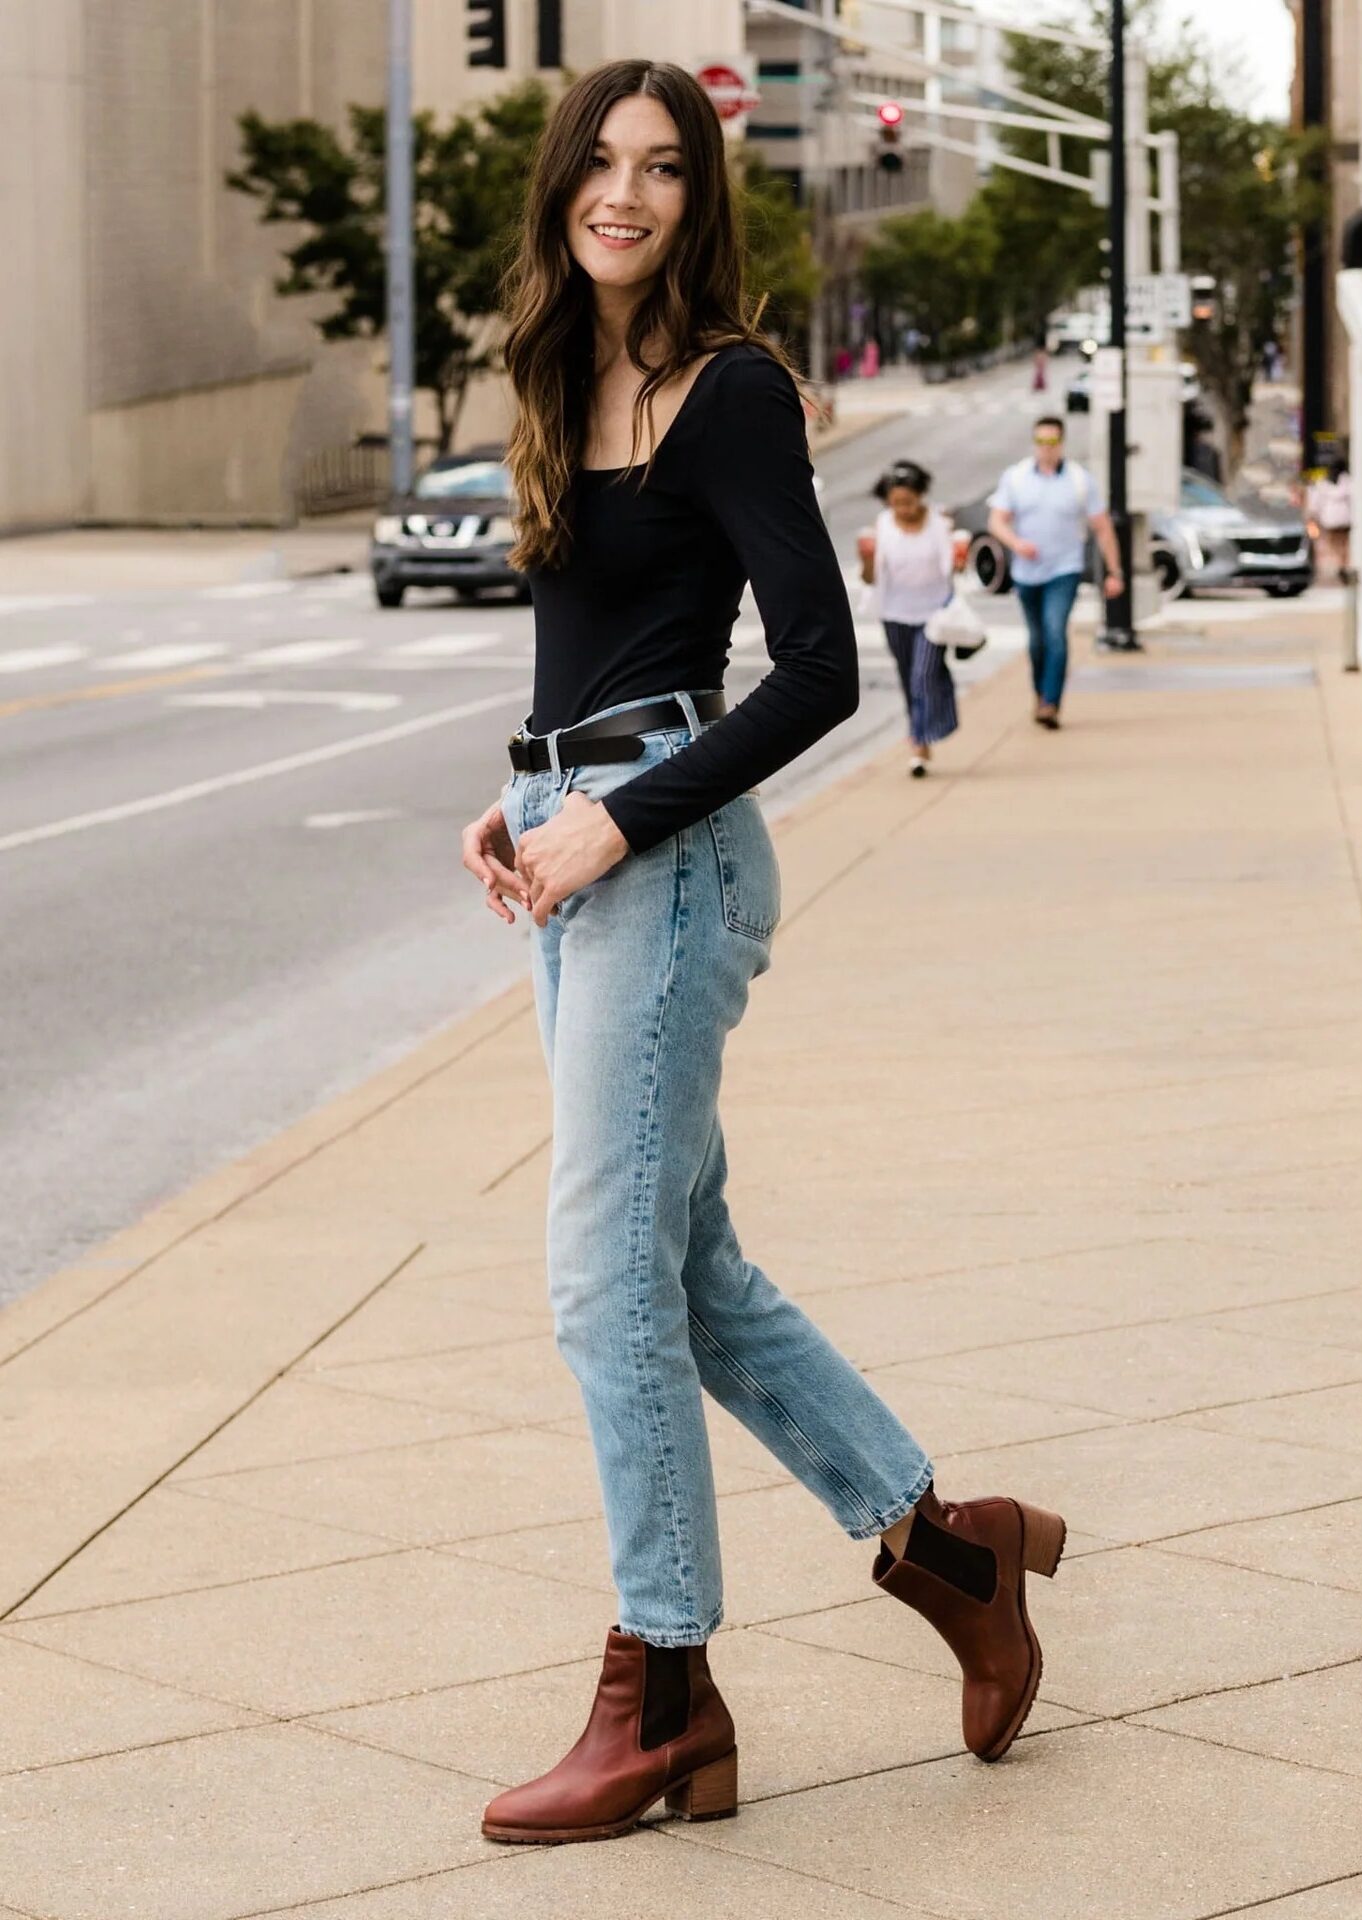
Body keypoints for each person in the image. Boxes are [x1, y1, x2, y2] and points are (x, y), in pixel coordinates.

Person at [459, 59, 1067, 1847]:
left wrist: (616, 817)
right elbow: (605, 643)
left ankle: (663, 1693)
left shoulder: (727, 392)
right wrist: (526, 791)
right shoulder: (557, 375)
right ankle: (953, 1554)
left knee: (601, 1283)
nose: (624, 194)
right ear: (562, 185)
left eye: (662, 168)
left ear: (698, 197)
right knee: (691, 1271)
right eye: (600, 163)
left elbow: (816, 667)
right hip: (581, 842)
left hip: (667, 864)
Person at [988, 415, 1124, 729]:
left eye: (1052, 441)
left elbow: (1103, 527)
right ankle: (1039, 693)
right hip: (1027, 572)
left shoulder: (1079, 480)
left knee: (1055, 633)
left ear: (1061, 443)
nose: (1046, 447)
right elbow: (996, 521)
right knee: (1036, 641)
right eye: (1041, 441)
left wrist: (1114, 571)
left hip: (1064, 569)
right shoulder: (1016, 477)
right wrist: (1016, 543)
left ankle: (1051, 702)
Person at [860, 459, 960, 775]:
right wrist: (866, 558)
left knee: (923, 675)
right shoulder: (882, 525)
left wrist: (960, 556)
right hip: (894, 614)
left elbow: (952, 569)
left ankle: (918, 741)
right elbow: (870, 578)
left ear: (920, 496)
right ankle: (919, 730)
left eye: (908, 501)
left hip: (934, 614)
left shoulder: (939, 524)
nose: (902, 509)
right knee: (909, 678)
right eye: (896, 503)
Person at [1306, 459, 1352, 582]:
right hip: (1343, 518)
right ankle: (1343, 563)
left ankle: (1341, 564)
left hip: (1332, 519)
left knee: (1336, 544)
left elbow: (1314, 505)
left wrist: (1313, 517)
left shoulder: (1322, 485)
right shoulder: (1347, 482)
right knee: (1343, 544)